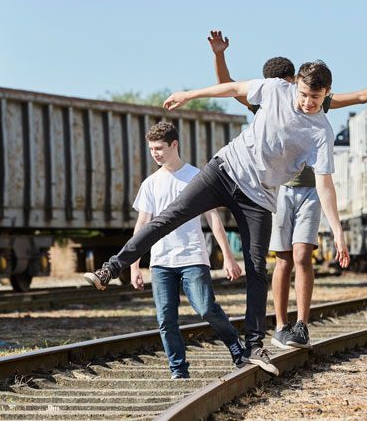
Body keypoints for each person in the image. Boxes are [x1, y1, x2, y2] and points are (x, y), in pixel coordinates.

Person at [85, 56, 350, 369]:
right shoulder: (277, 88)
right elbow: (233, 87)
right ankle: (111, 268)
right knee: (169, 217)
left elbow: (325, 185)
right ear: (296, 85)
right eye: (303, 94)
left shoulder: (321, 132)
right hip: (224, 171)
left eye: (315, 98)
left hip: (259, 197)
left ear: (327, 93)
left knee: (255, 268)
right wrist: (190, 94)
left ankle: (254, 346)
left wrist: (337, 231)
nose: (306, 102)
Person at [207, 30, 367, 349]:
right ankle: (280, 325)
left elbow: (360, 96)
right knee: (283, 259)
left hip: (309, 193)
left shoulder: (314, 103)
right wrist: (219, 54)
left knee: (303, 255)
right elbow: (229, 85)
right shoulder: (266, 106)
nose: (296, 96)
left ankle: (302, 324)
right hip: (276, 193)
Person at [128, 121, 276, 377]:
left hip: (193, 257)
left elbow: (214, 220)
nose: (155, 154)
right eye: (151, 149)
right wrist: (134, 265)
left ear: (174, 145)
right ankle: (178, 370)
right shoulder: (150, 184)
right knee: (166, 320)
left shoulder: (197, 177)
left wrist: (228, 257)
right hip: (161, 261)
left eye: (159, 148)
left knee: (206, 308)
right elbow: (143, 225)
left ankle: (235, 346)